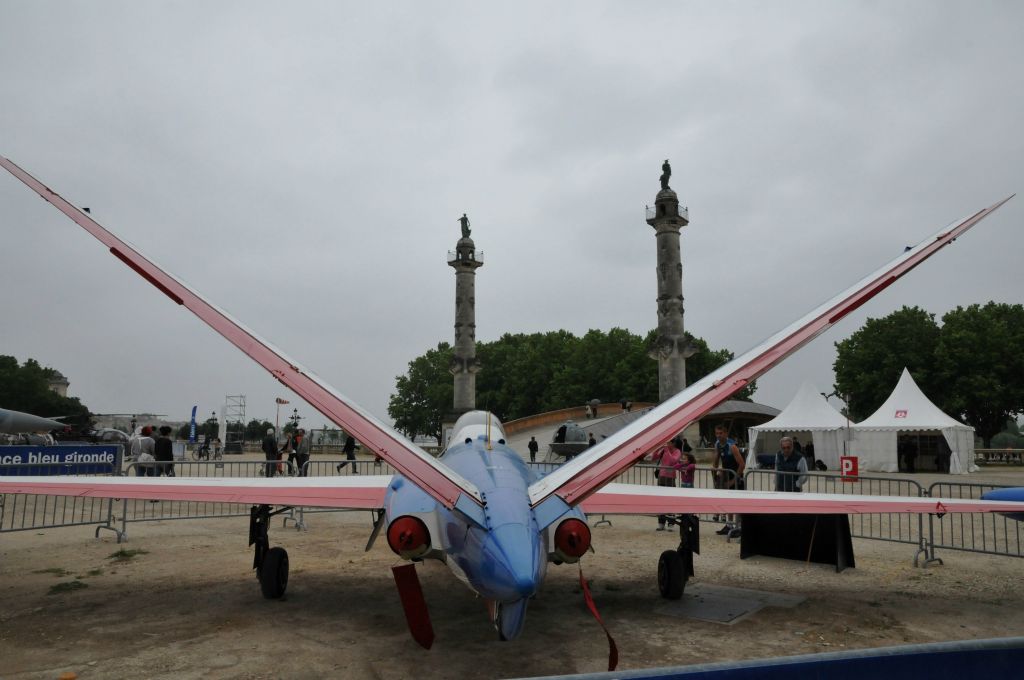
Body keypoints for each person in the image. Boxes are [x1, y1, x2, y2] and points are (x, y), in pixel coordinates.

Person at [712, 424, 745, 538]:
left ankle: (739, 527)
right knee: (728, 501)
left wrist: (733, 480)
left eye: (721, 433)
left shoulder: (732, 446)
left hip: (736, 477)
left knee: (738, 502)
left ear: (726, 433)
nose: (719, 436)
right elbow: (716, 459)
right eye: (717, 433)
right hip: (726, 475)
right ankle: (729, 525)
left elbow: (742, 464)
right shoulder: (717, 444)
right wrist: (714, 473)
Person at [647, 439, 683, 530]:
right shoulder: (664, 450)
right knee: (661, 499)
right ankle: (661, 522)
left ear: (673, 443)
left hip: (670, 477)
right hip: (661, 476)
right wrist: (657, 449)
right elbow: (653, 458)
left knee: (670, 500)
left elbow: (673, 461)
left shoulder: (677, 451)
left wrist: (667, 451)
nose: (666, 444)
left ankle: (671, 523)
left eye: (668, 442)